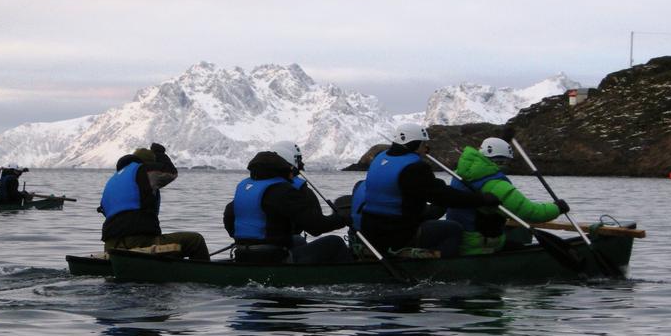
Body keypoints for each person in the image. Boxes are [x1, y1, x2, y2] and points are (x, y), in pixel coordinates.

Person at [357, 123, 500, 258]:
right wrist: (481, 199)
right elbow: (442, 196)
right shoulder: (414, 168)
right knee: (453, 229)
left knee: (431, 213)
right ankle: (445, 271)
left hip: (370, 228)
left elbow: (424, 191)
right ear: (415, 144)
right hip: (397, 232)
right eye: (424, 144)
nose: (426, 148)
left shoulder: (380, 158)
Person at [223, 145, 353, 264]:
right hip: (273, 258)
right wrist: (343, 217)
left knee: (298, 240)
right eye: (291, 172)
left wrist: (247, 241)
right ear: (284, 170)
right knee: (335, 243)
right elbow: (316, 228)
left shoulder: (246, 187)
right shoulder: (283, 191)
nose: (293, 176)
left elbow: (228, 218)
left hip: (242, 254)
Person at [446, 137, 568, 255]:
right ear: (501, 161)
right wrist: (558, 208)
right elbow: (532, 213)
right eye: (506, 161)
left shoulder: (459, 174)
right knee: (521, 248)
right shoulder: (496, 185)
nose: (507, 165)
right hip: (479, 246)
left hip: (461, 241)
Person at [98, 143, 210, 260]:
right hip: (139, 241)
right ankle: (205, 275)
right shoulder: (144, 169)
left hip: (110, 245)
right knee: (196, 241)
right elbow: (171, 172)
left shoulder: (113, 180)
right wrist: (160, 153)